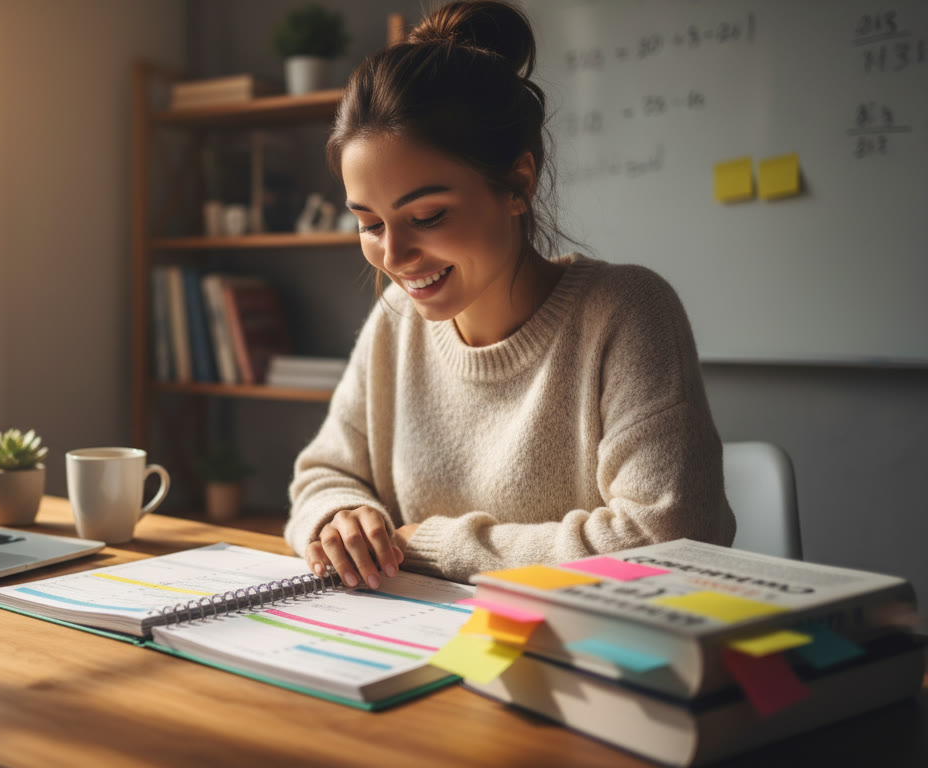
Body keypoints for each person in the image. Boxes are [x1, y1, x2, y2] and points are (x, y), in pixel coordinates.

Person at [285, 0, 735, 588]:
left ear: (518, 184)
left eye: (427, 215)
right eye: (370, 224)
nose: (393, 257)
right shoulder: (396, 322)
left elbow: (672, 538)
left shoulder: (625, 312)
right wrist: (341, 517)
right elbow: (321, 473)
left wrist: (435, 544)